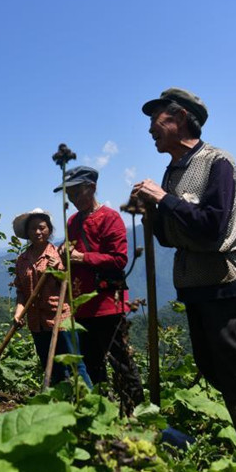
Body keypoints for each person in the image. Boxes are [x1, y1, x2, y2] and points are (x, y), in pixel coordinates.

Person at [134, 87, 236, 439]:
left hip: (222, 281)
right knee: (214, 367)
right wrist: (152, 209)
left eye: (156, 120)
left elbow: (213, 228)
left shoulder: (217, 162)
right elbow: (169, 237)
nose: (150, 129)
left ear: (180, 118)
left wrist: (163, 198)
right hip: (193, 283)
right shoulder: (173, 170)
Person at [54, 166, 145, 414]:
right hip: (82, 304)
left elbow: (119, 259)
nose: (72, 199)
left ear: (91, 188)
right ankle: (103, 412)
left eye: (76, 192)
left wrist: (82, 258)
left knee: (120, 361)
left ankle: (137, 412)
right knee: (92, 363)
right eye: (69, 195)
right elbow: (71, 252)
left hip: (108, 304)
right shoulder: (73, 222)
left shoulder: (110, 218)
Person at [12, 208, 92, 387]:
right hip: (36, 323)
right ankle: (60, 406)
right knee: (51, 368)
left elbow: (72, 286)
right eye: (33, 228)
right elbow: (21, 290)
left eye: (42, 227)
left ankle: (90, 405)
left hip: (60, 320)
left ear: (49, 229)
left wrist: (59, 271)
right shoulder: (22, 260)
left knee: (75, 366)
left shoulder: (59, 255)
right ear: (27, 233)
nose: (38, 232)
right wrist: (19, 312)